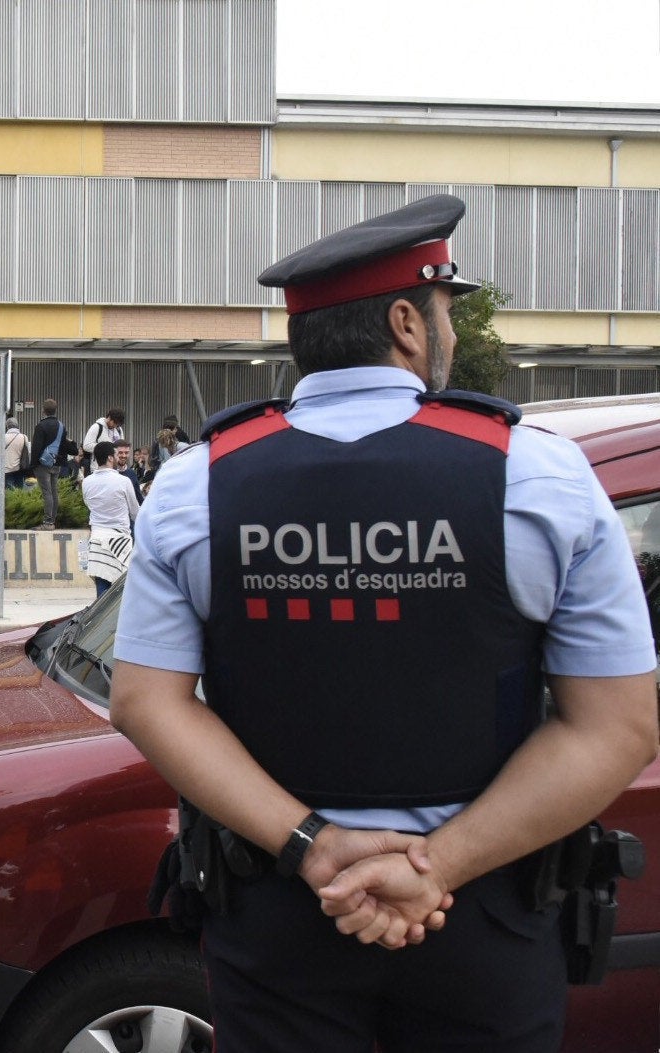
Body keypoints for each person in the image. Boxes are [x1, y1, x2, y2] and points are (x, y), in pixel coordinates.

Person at [109, 193, 658, 1053]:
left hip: (281, 909)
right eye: (442, 311)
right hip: (483, 919)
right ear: (407, 322)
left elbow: (146, 700)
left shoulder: (196, 482)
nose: (445, 331)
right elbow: (617, 725)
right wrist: (434, 867)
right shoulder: (539, 474)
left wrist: (315, 845)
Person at [79, 441, 137, 597]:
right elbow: (135, 512)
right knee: (122, 590)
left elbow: (88, 504)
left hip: (97, 538)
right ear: (111, 458)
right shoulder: (124, 481)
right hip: (121, 540)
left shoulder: (86, 482)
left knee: (102, 589)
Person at [31, 398, 66, 529]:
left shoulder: (41, 426)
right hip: (57, 463)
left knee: (47, 493)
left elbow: (36, 447)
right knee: (54, 492)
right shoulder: (61, 426)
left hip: (43, 464)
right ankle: (52, 521)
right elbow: (64, 445)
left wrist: (33, 465)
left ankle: (47, 522)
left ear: (43, 410)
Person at [78, 408, 124, 478]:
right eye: (114, 423)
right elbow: (86, 446)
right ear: (109, 418)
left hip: (115, 469)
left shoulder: (118, 429)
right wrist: (104, 448)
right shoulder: (97, 427)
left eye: (117, 424)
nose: (115, 426)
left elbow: (121, 445)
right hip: (98, 469)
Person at [0, 418, 28, 490]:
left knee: (8, 492)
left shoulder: (3, 437)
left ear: (7, 426)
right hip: (20, 468)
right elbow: (27, 452)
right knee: (19, 492)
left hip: (6, 469)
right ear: (17, 426)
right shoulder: (24, 437)